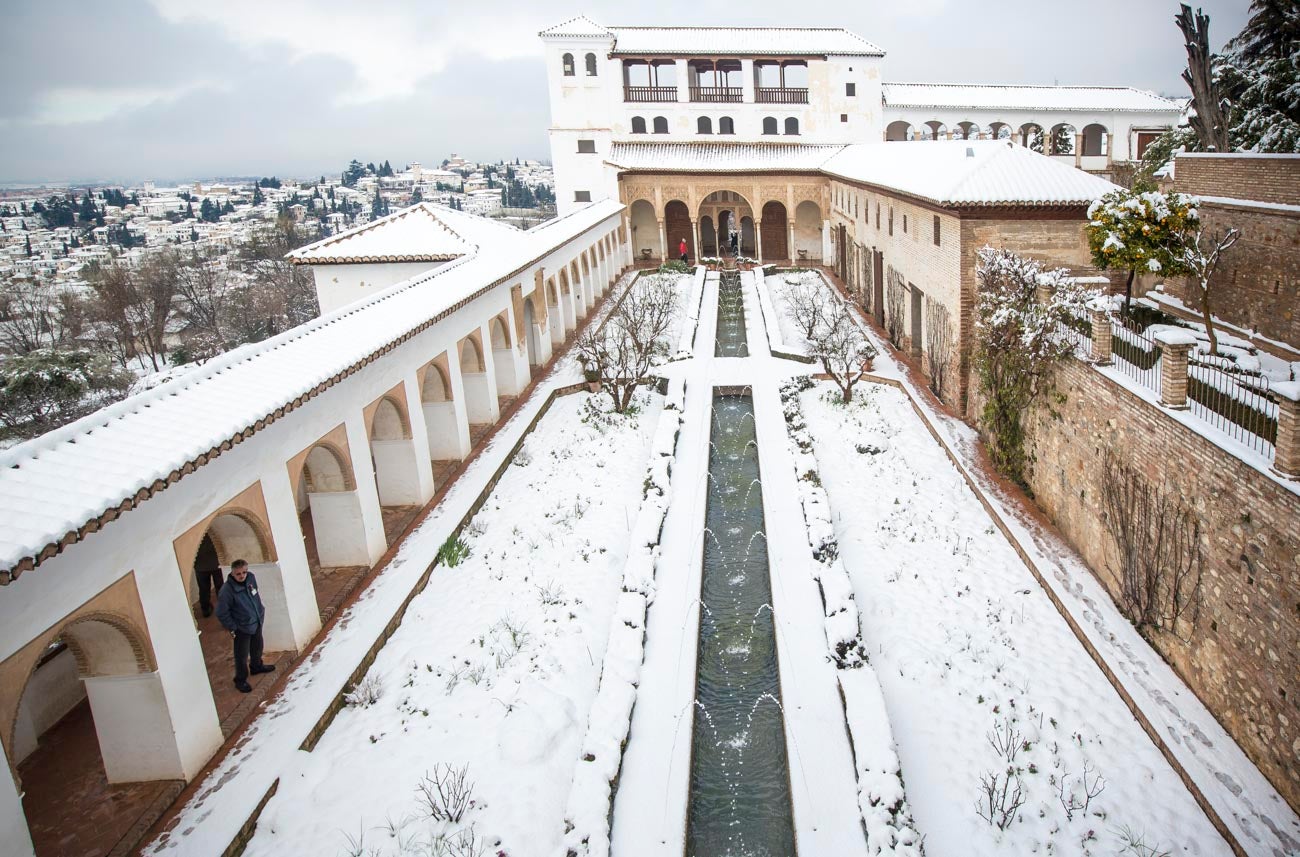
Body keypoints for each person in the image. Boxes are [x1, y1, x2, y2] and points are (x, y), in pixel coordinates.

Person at [215, 559, 275, 693]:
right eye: (238, 574)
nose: (242, 576)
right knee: (241, 655)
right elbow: (221, 612)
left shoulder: (251, 578)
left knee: (257, 646)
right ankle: (240, 679)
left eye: (244, 572)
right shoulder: (227, 591)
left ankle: (256, 666)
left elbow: (255, 595)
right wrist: (233, 627)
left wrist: (260, 611)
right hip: (242, 627)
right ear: (232, 573)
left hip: (256, 620)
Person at [194, 534, 223, 618]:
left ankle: (205, 610)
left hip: (200, 566)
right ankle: (223, 608)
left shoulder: (196, 533)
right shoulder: (212, 531)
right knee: (220, 587)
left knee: (203, 589)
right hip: (215, 564)